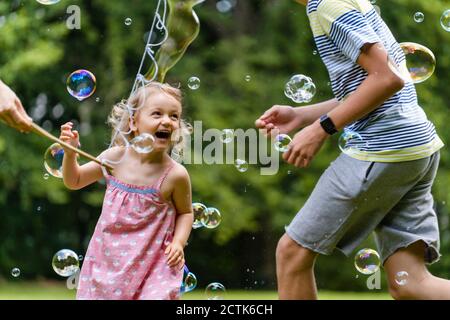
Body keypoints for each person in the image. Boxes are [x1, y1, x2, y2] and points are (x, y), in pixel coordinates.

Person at [256, 0, 450, 299]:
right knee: (411, 284)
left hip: (382, 149)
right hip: (414, 147)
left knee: (292, 252)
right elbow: (374, 85)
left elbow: (387, 79)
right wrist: (302, 115)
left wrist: (321, 129)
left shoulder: (326, 5)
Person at [59, 82, 194, 300]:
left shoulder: (175, 175)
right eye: (157, 113)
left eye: (174, 116)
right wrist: (70, 154)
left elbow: (186, 213)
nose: (167, 121)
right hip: (108, 259)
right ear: (133, 122)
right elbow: (74, 180)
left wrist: (178, 242)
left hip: (155, 264)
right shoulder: (114, 159)